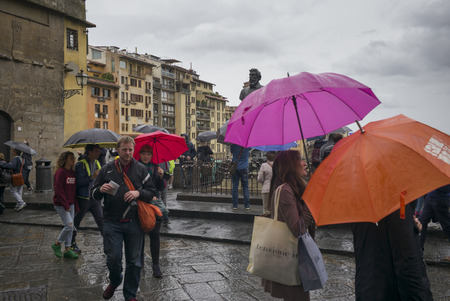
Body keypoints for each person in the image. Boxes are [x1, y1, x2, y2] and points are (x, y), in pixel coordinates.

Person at [92, 136, 158, 301]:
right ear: (117, 150)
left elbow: (151, 192)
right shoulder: (107, 169)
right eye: (124, 149)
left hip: (134, 222)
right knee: (113, 258)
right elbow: (93, 194)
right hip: (111, 221)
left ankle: (130, 294)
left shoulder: (141, 169)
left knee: (134, 262)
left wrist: (138, 193)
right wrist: (101, 189)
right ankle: (115, 280)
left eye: (130, 150)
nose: (128, 153)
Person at [261, 150, 315, 301]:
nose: (305, 163)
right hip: (292, 258)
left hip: (295, 257)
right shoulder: (285, 190)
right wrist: (310, 203)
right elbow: (298, 228)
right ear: (291, 166)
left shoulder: (291, 188)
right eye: (301, 161)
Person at [351, 205, 434, 300]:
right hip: (389, 291)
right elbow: (407, 265)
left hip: (367, 287)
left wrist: (409, 224)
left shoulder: (359, 207)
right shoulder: (395, 205)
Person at [138, 145, 165, 278]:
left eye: (148, 154)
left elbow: (161, 187)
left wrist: (161, 177)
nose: (146, 156)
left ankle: (156, 265)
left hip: (154, 205)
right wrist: (146, 195)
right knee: (140, 234)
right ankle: (140, 259)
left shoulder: (155, 168)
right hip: (141, 204)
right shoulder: (135, 168)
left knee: (155, 234)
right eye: (143, 153)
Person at [71, 144, 103, 254]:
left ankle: (109, 244)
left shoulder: (97, 163)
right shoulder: (81, 164)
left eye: (99, 151)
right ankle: (71, 243)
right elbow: (78, 183)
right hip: (83, 198)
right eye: (95, 151)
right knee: (76, 221)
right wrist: (92, 177)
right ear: (89, 151)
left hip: (95, 198)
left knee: (101, 221)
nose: (98, 153)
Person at [50, 151, 79, 259]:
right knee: (69, 225)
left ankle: (67, 249)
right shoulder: (61, 172)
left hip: (71, 203)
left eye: (74, 158)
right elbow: (58, 189)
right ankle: (57, 244)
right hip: (61, 204)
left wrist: (74, 204)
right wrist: (65, 205)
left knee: (70, 227)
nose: (73, 160)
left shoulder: (72, 172)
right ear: (65, 159)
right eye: (71, 158)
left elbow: (73, 190)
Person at [418, 184, 450, 254]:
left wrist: (434, 183)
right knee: (421, 222)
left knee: (447, 226)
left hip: (441, 200)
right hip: (429, 198)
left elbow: (447, 188)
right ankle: (419, 251)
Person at [230, 143, 251, 210]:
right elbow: (250, 149)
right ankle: (247, 205)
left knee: (235, 186)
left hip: (235, 168)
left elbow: (232, 151)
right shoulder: (247, 144)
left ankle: (235, 205)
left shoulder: (233, 145)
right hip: (244, 167)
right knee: (245, 186)